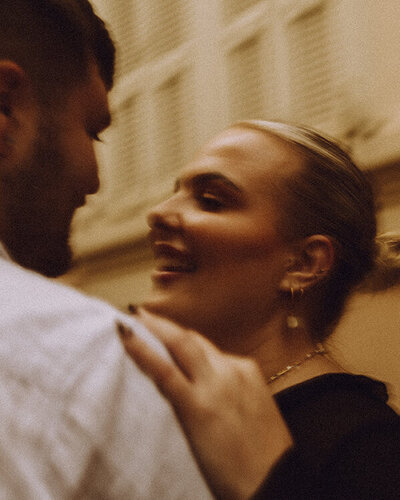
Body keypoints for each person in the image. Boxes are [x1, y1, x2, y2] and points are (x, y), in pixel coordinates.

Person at [119, 120, 400, 499]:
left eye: (211, 201)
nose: (158, 213)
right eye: (175, 193)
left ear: (304, 263)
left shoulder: (366, 448)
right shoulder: (174, 408)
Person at [0, 1, 212, 498]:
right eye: (91, 130)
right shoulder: (82, 361)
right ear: (6, 107)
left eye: (213, 200)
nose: (95, 179)